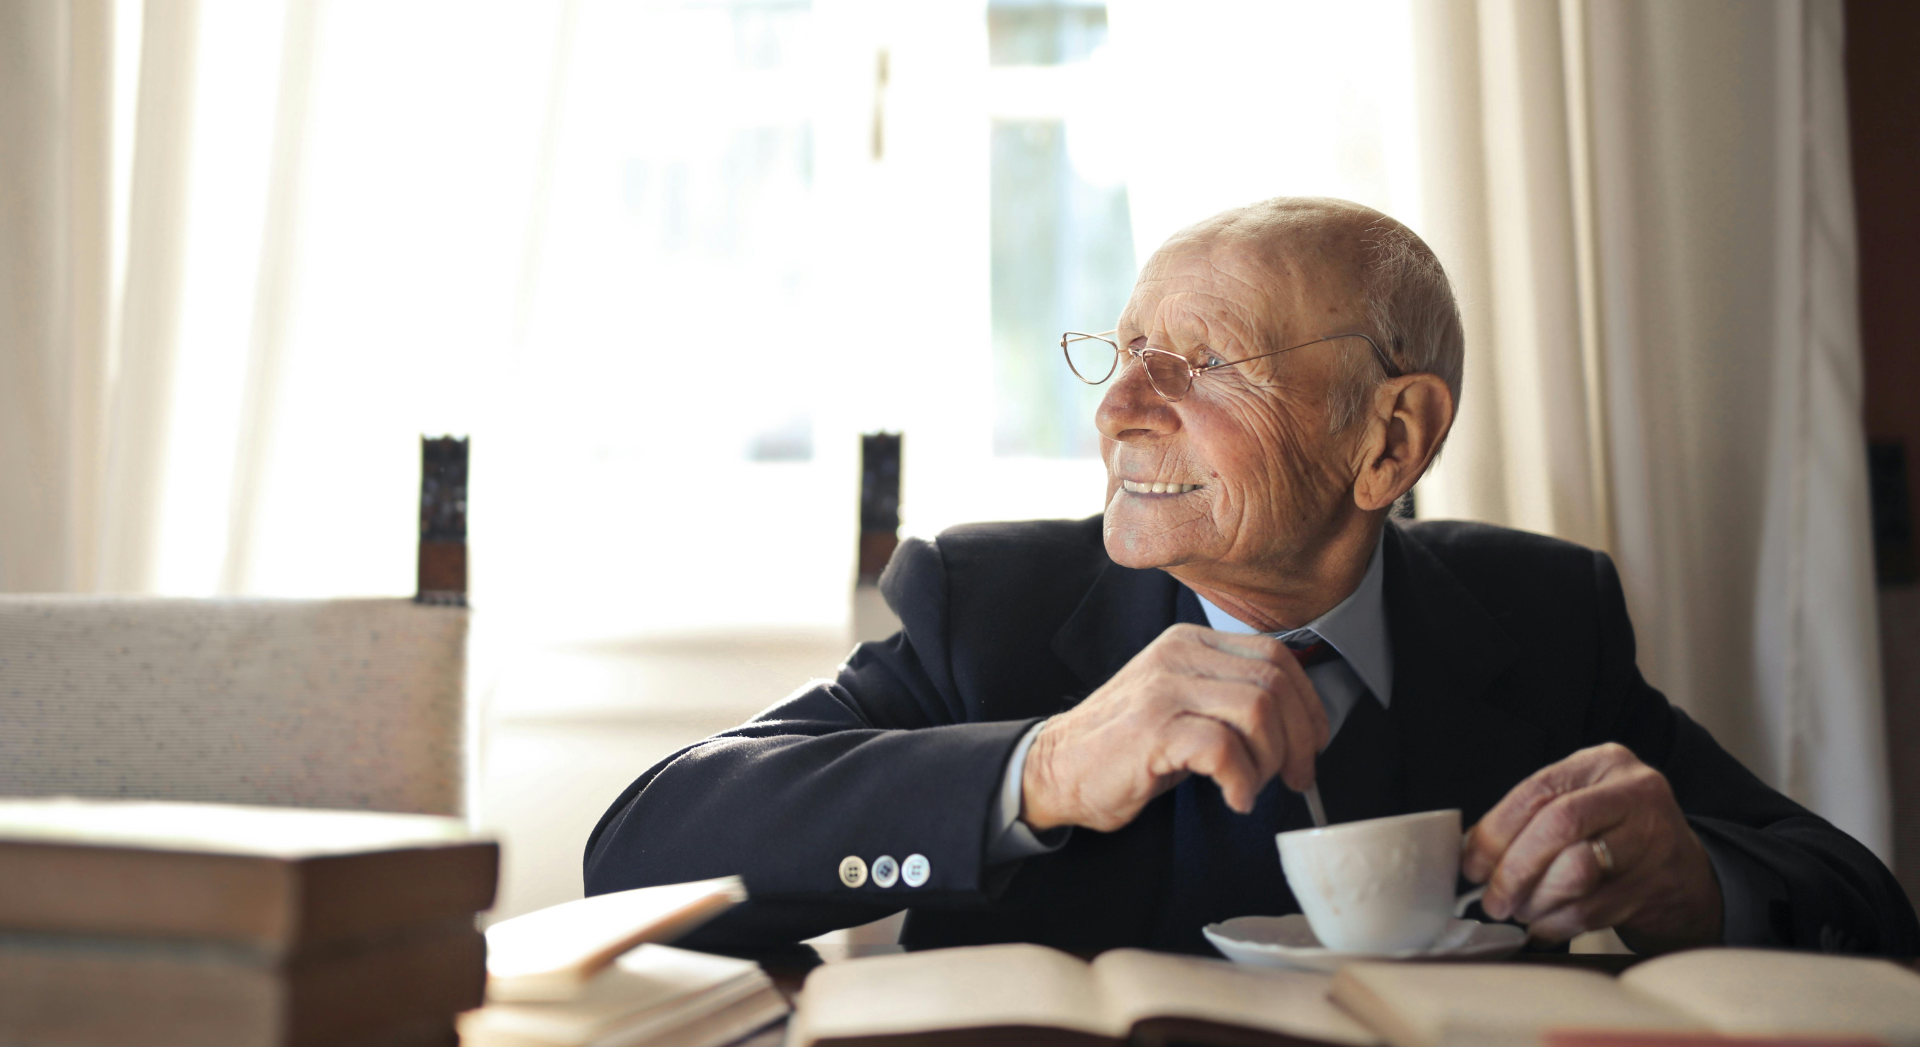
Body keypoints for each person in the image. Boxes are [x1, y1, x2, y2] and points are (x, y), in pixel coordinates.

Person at [583, 198, 1918, 956]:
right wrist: (1038, 767)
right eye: (1121, 356)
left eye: (1206, 363)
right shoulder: (988, 610)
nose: (1121, 412)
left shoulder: (1539, 619)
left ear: (1390, 439)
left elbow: (1864, 906)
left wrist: (1705, 884)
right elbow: (638, 855)